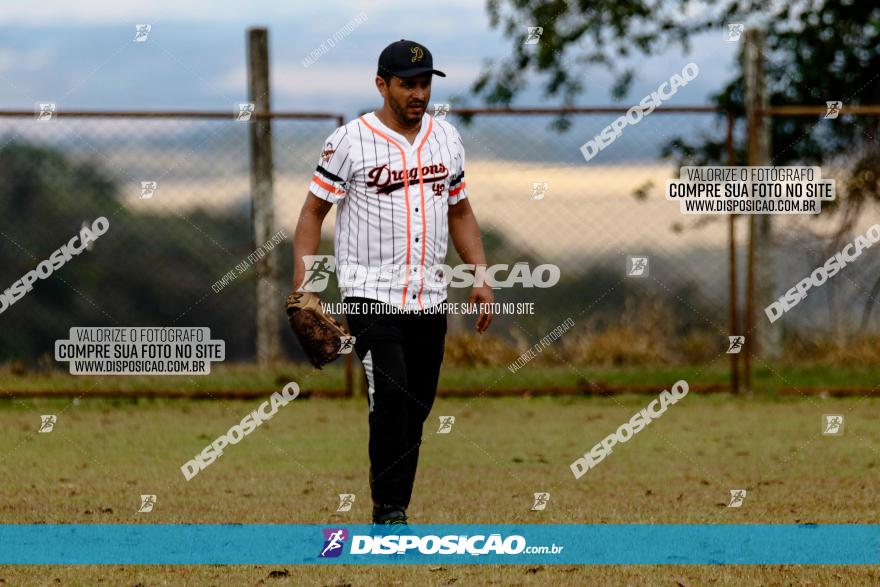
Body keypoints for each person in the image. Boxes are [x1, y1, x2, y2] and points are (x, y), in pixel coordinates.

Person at [292, 39, 493, 525]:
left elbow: (461, 210)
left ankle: (392, 501)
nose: (417, 92)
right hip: (369, 295)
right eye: (406, 84)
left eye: (424, 83)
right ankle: (390, 511)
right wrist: (308, 286)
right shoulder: (349, 141)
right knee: (394, 398)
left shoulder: (446, 139)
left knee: (416, 407)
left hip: (429, 298)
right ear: (382, 85)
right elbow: (312, 213)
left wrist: (480, 275)